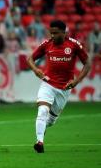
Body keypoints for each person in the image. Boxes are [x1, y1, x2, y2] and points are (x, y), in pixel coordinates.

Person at [26, 20, 91, 153]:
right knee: (42, 111)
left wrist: (77, 81)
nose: (52, 36)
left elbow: (87, 63)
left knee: (50, 121)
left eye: (55, 33)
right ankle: (39, 142)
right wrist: (36, 70)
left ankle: (42, 131)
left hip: (65, 88)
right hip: (48, 83)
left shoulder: (74, 45)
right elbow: (29, 59)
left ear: (64, 32)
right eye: (51, 33)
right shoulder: (47, 44)